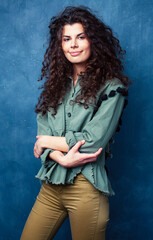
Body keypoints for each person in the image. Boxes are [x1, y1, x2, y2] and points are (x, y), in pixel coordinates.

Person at [21, 5, 130, 240]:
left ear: (94, 41)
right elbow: (43, 128)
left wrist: (46, 144)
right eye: (67, 39)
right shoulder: (55, 86)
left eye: (81, 37)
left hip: (86, 188)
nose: (73, 44)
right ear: (60, 46)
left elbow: (92, 143)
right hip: (50, 186)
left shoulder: (113, 87)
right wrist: (59, 157)